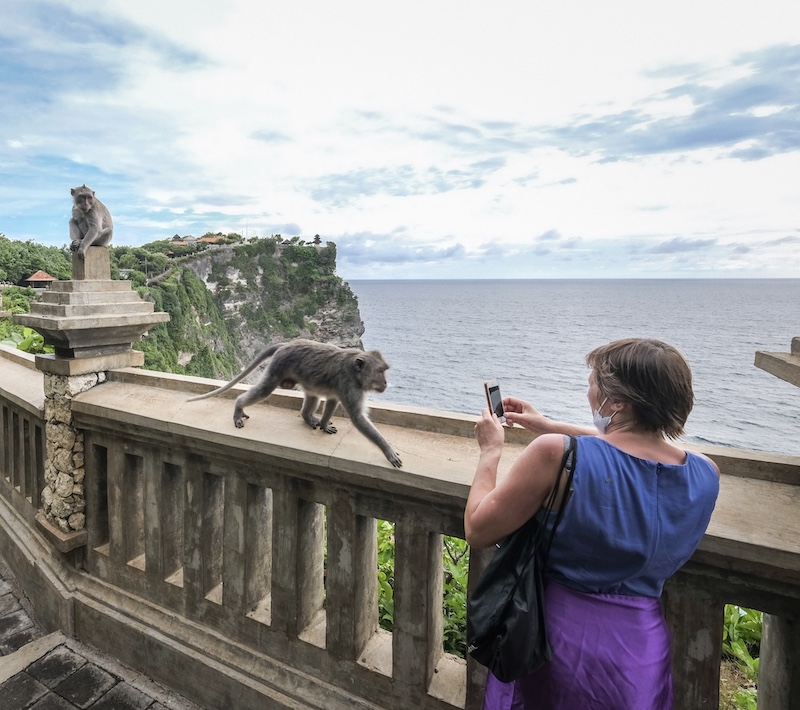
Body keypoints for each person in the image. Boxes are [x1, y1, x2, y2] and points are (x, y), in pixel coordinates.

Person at [465, 338, 720, 710]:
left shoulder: (553, 453)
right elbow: (635, 453)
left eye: (592, 384)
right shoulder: (706, 473)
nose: (588, 391)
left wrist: (490, 451)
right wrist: (548, 425)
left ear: (617, 402)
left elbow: (477, 528)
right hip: (641, 651)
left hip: (556, 643)